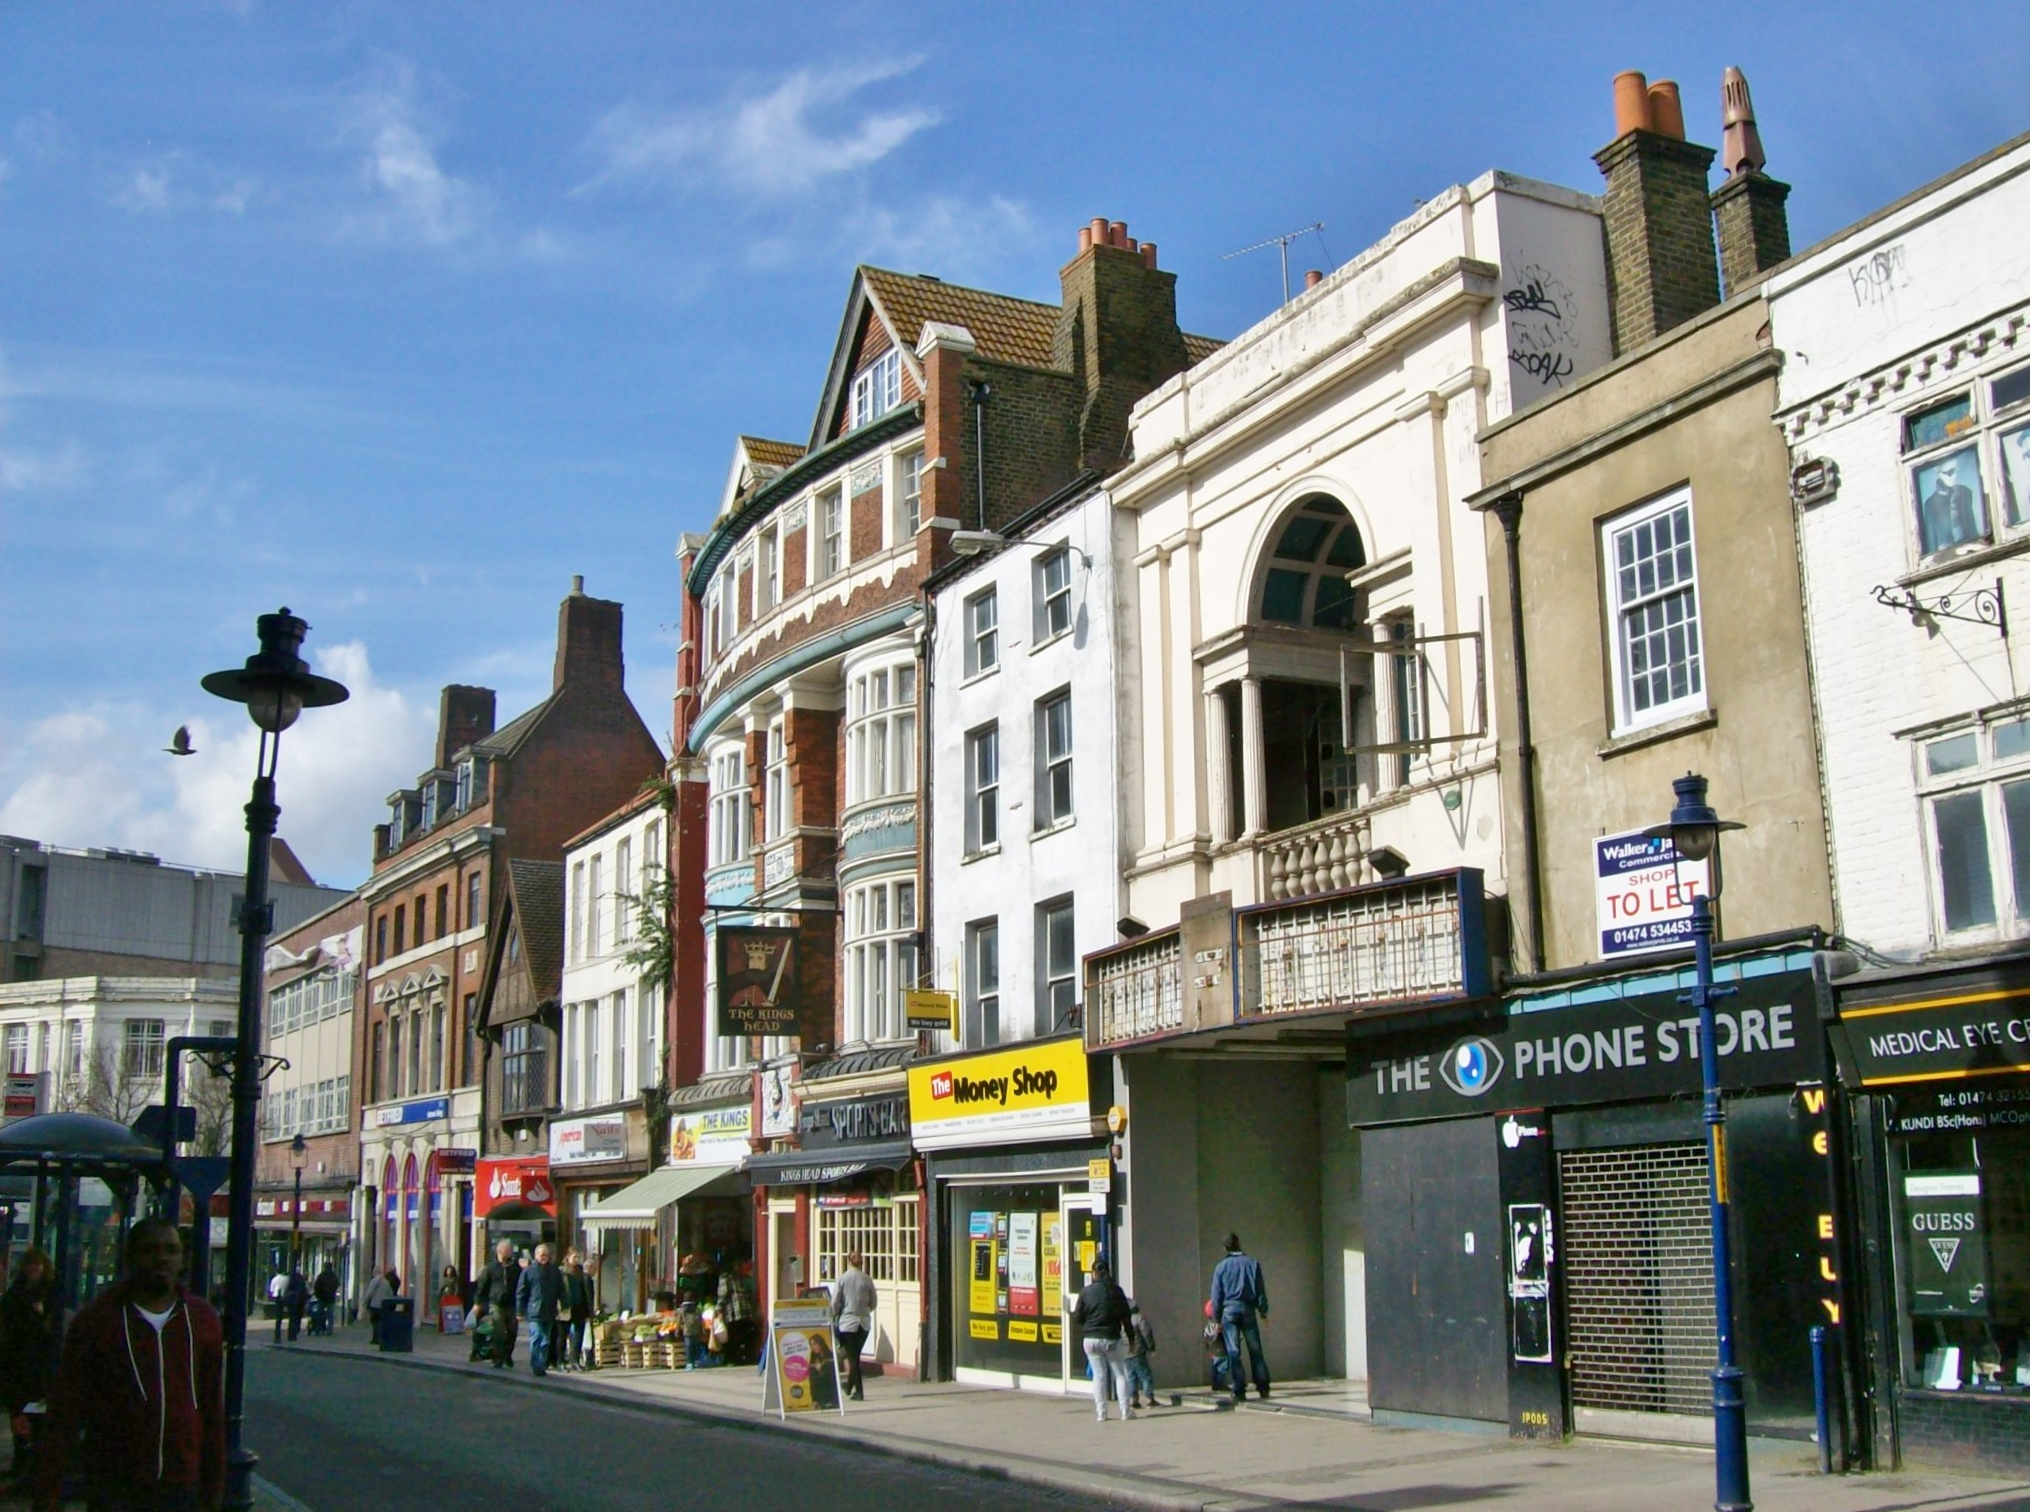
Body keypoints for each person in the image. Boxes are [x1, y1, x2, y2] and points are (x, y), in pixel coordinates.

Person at [35, 1216, 224, 1512]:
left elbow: (211, 1406)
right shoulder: (97, 1320)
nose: (162, 1259)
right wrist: (49, 1490)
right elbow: (66, 1408)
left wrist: (213, 1486)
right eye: (151, 1250)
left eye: (171, 1250)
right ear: (131, 1257)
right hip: (115, 1484)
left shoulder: (202, 1320)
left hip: (182, 1483)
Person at [0, 1249, 57, 1486]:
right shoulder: (21, 1294)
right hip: (20, 1361)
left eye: (36, 1265)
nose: (32, 1269)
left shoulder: (43, 1294)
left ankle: (30, 1461)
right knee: (20, 1410)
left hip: (33, 1362)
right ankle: (24, 1458)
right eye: (29, 1265)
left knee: (31, 1412)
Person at [1209, 1232, 1270, 1403]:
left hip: (1229, 1311)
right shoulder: (1252, 1263)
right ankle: (1263, 1387)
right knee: (1255, 1350)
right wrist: (1263, 1312)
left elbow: (1216, 1296)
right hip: (1248, 1310)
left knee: (1234, 1351)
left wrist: (1216, 1319)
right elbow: (1260, 1290)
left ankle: (1239, 1389)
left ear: (1224, 1248)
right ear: (1239, 1244)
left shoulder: (1221, 1267)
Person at [1071, 1259, 1134, 1422]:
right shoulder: (1117, 1291)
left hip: (1091, 1339)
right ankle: (1125, 1411)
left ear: (1094, 1273)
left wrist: (1089, 1322)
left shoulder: (1086, 1292)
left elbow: (1077, 1317)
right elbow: (1126, 1318)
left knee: (1098, 1376)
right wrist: (1131, 1338)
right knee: (1120, 1374)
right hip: (1111, 1338)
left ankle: (1101, 1413)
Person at [829, 1251, 876, 1402]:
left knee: (853, 1358)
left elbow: (835, 1302)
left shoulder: (842, 1279)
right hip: (864, 1323)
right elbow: (873, 1302)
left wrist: (834, 1314)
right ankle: (849, 1386)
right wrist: (865, 1310)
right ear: (861, 1263)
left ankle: (859, 1391)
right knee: (854, 1355)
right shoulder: (867, 1279)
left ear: (848, 1261)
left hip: (847, 1323)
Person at [515, 1243, 563, 1378]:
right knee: (536, 1337)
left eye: (546, 1255)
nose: (544, 1258)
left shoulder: (554, 1271)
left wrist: (564, 1303)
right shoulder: (529, 1271)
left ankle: (541, 1364)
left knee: (545, 1340)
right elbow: (521, 1291)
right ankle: (536, 1364)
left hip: (549, 1310)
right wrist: (519, 1311)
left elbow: (561, 1289)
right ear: (536, 1255)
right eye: (542, 1255)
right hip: (534, 1310)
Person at [472, 1241, 518, 1369]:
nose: (510, 1252)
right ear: (501, 1251)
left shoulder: (514, 1267)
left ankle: (507, 1354)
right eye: (508, 1250)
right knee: (498, 1330)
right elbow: (482, 1287)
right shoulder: (491, 1268)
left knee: (512, 1330)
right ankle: (498, 1358)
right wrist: (477, 1303)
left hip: (510, 1304)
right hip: (495, 1304)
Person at [559, 1251, 591, 1372]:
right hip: (565, 1308)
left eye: (578, 1257)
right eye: (574, 1257)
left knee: (578, 1335)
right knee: (563, 1335)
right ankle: (561, 1361)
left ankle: (575, 1360)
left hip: (580, 1307)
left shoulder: (580, 1272)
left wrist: (588, 1310)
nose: (576, 1259)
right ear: (567, 1258)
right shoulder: (561, 1272)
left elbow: (584, 1291)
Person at [1123, 1300, 1157, 1410]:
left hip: (1124, 1352)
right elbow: (1146, 1333)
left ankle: (1134, 1400)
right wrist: (1151, 1347)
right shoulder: (1138, 1317)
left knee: (1131, 1377)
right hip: (1137, 1351)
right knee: (1145, 1375)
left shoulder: (1120, 1319)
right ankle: (1149, 1399)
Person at [361, 1267, 393, 1347]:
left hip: (375, 1304)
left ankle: (375, 1338)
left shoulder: (374, 1281)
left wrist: (364, 1302)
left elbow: (370, 1293)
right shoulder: (386, 1282)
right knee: (381, 1322)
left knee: (375, 1322)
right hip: (384, 1305)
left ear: (375, 1272)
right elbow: (390, 1294)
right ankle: (381, 1338)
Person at [281, 1268, 308, 1344]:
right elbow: (303, 1291)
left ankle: (291, 1334)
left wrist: (286, 1302)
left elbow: (287, 1290)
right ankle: (295, 1331)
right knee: (298, 1317)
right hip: (299, 1302)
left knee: (292, 1318)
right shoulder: (301, 1280)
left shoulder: (291, 1280)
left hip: (292, 1302)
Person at [310, 1265, 339, 1337]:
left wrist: (318, 1295)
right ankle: (329, 1330)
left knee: (319, 1314)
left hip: (322, 1298)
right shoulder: (334, 1276)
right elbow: (337, 1284)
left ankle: (318, 1330)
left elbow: (316, 1286)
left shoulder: (321, 1275)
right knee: (330, 1315)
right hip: (331, 1298)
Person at [265, 1266, 288, 1343]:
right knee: (282, 1317)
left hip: (277, 1297)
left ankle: (277, 1336)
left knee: (278, 1318)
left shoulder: (274, 1279)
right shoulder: (286, 1279)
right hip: (284, 1297)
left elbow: (271, 1290)